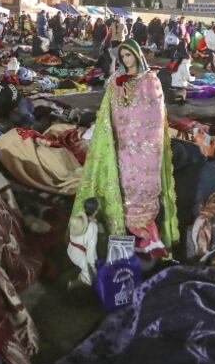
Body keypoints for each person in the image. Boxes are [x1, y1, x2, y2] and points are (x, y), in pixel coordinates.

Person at [71, 40, 177, 263]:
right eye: (123, 56)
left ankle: (146, 235)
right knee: (123, 184)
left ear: (138, 56)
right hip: (121, 143)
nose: (126, 60)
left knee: (142, 185)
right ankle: (127, 234)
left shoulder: (150, 81)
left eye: (129, 55)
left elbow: (154, 115)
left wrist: (135, 131)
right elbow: (106, 112)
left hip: (145, 148)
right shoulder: (115, 82)